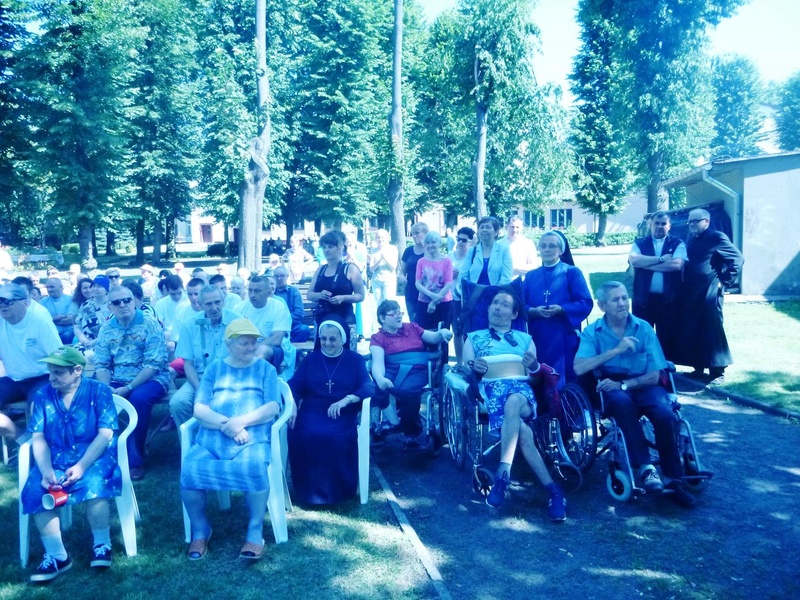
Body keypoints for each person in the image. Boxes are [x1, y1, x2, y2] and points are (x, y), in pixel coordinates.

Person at [573, 281, 696, 508]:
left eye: (624, 297)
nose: (622, 303)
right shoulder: (593, 332)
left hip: (643, 383)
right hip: (611, 385)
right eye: (615, 300)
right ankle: (646, 469)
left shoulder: (643, 328)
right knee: (622, 404)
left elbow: (655, 374)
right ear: (602, 305)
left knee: (665, 413)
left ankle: (673, 478)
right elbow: (579, 367)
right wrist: (616, 350)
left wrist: (625, 385)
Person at [180, 319, 282, 562]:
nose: (251, 347)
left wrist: (241, 422)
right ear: (229, 344)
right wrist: (230, 425)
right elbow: (200, 410)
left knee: (254, 466)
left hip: (252, 437)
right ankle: (200, 529)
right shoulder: (214, 369)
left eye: (253, 342)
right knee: (190, 468)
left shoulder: (266, 369)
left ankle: (255, 529)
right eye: (244, 343)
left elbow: (272, 407)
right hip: (212, 439)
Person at [463, 290, 566, 521]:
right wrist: (474, 369)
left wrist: (534, 367)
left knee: (513, 401)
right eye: (494, 303)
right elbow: (465, 369)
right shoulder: (473, 338)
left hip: (522, 395)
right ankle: (554, 491)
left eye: (504, 304)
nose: (497, 307)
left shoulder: (525, 340)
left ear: (514, 313)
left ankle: (502, 476)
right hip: (491, 395)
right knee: (522, 431)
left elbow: (534, 379)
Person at [21, 347, 121, 582]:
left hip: (93, 454)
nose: (51, 378)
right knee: (35, 489)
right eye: (50, 372)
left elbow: (105, 434)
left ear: (77, 370)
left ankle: (102, 544)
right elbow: (38, 438)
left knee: (95, 482)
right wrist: (46, 471)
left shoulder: (99, 391)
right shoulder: (42, 395)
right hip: (56, 457)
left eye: (58, 372)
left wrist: (82, 466)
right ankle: (58, 556)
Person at [288, 320, 373, 505]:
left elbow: (368, 386)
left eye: (332, 339)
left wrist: (347, 399)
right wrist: (292, 403)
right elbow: (293, 385)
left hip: (342, 413)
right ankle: (307, 492)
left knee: (332, 437)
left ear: (342, 339)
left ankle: (340, 491)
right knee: (303, 433)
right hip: (312, 411)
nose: (327, 343)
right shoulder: (310, 360)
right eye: (323, 338)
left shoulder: (355, 360)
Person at [93, 286, 170, 480]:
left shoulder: (150, 324)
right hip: (118, 379)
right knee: (96, 397)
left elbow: (153, 364)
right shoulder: (106, 328)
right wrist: (106, 387)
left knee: (138, 400)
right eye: (116, 302)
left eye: (127, 300)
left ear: (134, 301)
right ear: (110, 307)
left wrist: (128, 388)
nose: (123, 305)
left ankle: (134, 461)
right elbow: (101, 363)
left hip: (152, 378)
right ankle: (100, 455)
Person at [370, 300, 453, 447]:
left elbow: (433, 337)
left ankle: (411, 430)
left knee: (408, 390)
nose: (399, 315)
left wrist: (441, 333)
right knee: (376, 387)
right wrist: (380, 378)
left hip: (418, 369)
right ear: (382, 318)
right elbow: (377, 363)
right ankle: (396, 422)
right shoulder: (377, 338)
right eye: (394, 313)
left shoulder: (412, 327)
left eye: (399, 312)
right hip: (392, 369)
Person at [676, 208, 744, 386]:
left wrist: (724, 281)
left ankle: (717, 372)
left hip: (709, 291)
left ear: (706, 221)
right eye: (690, 221)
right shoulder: (693, 238)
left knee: (712, 329)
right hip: (692, 292)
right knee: (694, 329)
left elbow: (737, 258)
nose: (692, 224)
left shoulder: (716, 237)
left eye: (696, 221)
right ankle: (698, 368)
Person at [521, 230, 593, 388]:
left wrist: (561, 309)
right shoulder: (531, 276)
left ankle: (564, 403)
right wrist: (533, 311)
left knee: (562, 379)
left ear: (561, 250)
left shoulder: (571, 272)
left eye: (552, 246)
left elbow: (585, 302)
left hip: (563, 337)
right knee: (538, 377)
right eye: (543, 246)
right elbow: (520, 305)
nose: (547, 249)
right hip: (538, 335)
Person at [170, 286, 241, 425]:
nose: (214, 308)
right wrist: (200, 389)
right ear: (200, 305)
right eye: (209, 304)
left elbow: (243, 359)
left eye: (217, 302)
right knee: (178, 403)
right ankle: (190, 436)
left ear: (223, 301)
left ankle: (222, 432)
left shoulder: (237, 321)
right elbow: (188, 364)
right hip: (200, 378)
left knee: (224, 403)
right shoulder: (190, 325)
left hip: (229, 377)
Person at [0, 283, 61, 438]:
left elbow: (58, 355)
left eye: (8, 301)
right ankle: (22, 438)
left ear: (25, 302)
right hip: (13, 379)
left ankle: (41, 444)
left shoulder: (40, 320)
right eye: (0, 301)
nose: (3, 305)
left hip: (42, 377)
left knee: (39, 411)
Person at [628, 211, 686, 361]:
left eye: (663, 224)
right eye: (657, 223)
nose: (660, 226)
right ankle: (642, 367)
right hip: (643, 300)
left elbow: (676, 265)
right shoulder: (640, 243)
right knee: (641, 336)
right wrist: (661, 259)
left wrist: (646, 265)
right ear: (650, 224)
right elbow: (634, 260)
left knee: (667, 338)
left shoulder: (678, 243)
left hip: (668, 301)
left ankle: (666, 369)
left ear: (669, 226)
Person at [307, 231, 365, 349]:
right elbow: (309, 294)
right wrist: (319, 295)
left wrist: (343, 298)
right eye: (324, 247)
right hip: (323, 320)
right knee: (321, 354)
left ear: (340, 248)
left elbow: (360, 295)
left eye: (330, 247)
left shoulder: (350, 269)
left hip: (345, 319)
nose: (326, 250)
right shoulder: (321, 269)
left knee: (348, 355)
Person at [236, 275, 294, 371]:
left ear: (268, 292)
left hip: (273, 349)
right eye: (250, 290)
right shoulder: (239, 308)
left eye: (257, 291)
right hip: (245, 347)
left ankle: (251, 377)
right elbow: (235, 336)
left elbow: (276, 339)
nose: (252, 295)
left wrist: (252, 348)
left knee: (261, 350)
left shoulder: (279, 307)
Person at [459, 216, 513, 289]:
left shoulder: (504, 250)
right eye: (482, 227)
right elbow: (463, 276)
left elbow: (506, 278)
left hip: (497, 294)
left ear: (496, 232)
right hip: (474, 294)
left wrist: (496, 292)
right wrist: (468, 290)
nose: (484, 230)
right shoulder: (472, 251)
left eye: (488, 227)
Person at [414, 231, 453, 330]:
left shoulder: (447, 261)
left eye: (433, 242)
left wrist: (434, 301)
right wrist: (432, 296)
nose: (430, 245)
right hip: (424, 302)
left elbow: (448, 283)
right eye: (427, 243)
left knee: (442, 333)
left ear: (439, 243)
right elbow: (418, 283)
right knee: (423, 333)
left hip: (443, 303)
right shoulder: (421, 262)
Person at [448, 227, 475, 364]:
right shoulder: (449, 256)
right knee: (457, 330)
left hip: (469, 298)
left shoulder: (473, 257)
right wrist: (449, 274)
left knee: (469, 330)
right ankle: (459, 362)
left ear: (470, 242)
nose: (460, 242)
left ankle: (470, 361)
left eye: (464, 240)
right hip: (453, 298)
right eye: (458, 239)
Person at [398, 222, 428, 323]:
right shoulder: (408, 251)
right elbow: (402, 271)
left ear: (425, 234)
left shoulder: (429, 251)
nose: (414, 236)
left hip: (426, 289)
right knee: (413, 320)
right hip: (411, 289)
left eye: (417, 233)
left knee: (425, 320)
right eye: (413, 233)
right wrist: (401, 277)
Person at [273, 266, 311, 343]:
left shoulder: (294, 291)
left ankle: (288, 346)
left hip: (292, 326)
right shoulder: (270, 292)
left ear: (287, 276)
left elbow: (299, 313)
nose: (279, 278)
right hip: (274, 326)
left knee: (304, 329)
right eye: (276, 276)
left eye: (282, 276)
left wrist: (284, 320)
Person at [73, 275, 110, 350]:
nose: (95, 289)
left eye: (99, 286)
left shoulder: (112, 305)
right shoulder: (85, 305)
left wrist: (93, 343)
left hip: (106, 344)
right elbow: (77, 326)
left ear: (106, 290)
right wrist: (82, 339)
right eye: (94, 286)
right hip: (86, 343)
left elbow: (112, 330)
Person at [154, 274, 188, 355]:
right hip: (168, 338)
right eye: (173, 294)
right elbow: (158, 325)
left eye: (179, 293)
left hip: (186, 335)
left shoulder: (189, 301)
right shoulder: (161, 304)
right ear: (167, 290)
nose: (177, 296)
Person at [368, 228, 399, 306]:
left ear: (387, 238)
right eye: (378, 237)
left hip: (389, 279)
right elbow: (371, 268)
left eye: (382, 237)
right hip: (376, 279)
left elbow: (393, 266)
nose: (380, 239)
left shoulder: (393, 248)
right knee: (379, 303)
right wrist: (380, 260)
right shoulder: (374, 250)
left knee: (389, 302)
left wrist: (385, 258)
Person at [41, 278, 75, 344]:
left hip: (67, 333)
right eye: (47, 287)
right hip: (50, 333)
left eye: (52, 287)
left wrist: (51, 320)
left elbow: (70, 320)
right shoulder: (43, 301)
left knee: (67, 335)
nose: (49, 290)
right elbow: (42, 320)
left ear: (61, 287)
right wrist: (59, 317)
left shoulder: (70, 300)